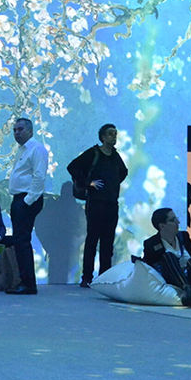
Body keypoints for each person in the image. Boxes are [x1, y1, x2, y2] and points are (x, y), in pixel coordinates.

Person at [67, 123, 128, 287]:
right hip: (95, 203)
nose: (114, 137)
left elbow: (124, 172)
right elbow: (73, 167)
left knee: (108, 242)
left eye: (115, 134)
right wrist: (88, 183)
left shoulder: (115, 156)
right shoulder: (94, 153)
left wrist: (112, 185)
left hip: (111, 203)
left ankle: (104, 278)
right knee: (92, 240)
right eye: (110, 134)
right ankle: (87, 277)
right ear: (102, 137)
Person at [142, 207, 191, 309]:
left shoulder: (183, 236)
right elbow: (149, 268)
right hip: (172, 278)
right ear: (162, 226)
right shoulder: (151, 243)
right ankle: (187, 291)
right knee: (168, 257)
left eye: (177, 218)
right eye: (173, 220)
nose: (178, 222)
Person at [7, 117, 49, 295]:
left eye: (20, 129)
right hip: (20, 198)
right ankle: (24, 280)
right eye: (15, 130)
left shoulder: (37, 148)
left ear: (30, 131)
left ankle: (28, 283)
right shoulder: (22, 149)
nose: (17, 133)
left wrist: (27, 201)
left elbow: (39, 176)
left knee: (22, 240)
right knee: (19, 240)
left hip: (27, 199)